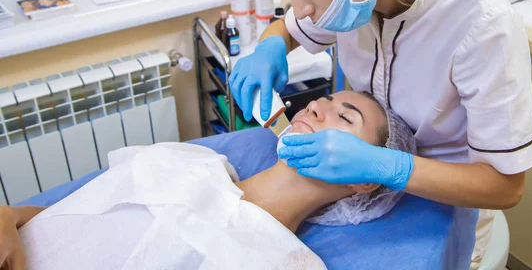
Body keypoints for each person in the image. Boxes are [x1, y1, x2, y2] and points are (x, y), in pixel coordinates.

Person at [229, 0, 532, 265]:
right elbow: (287, 28)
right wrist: (269, 46)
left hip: (444, 213)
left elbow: (505, 187)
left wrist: (383, 165)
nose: (301, 7)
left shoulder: (481, 25)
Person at [0, 91, 415, 270]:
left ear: (364, 181)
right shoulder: (199, 161)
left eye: (345, 117)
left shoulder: (290, 262)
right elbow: (84, 212)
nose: (315, 108)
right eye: (322, 100)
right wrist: (8, 215)